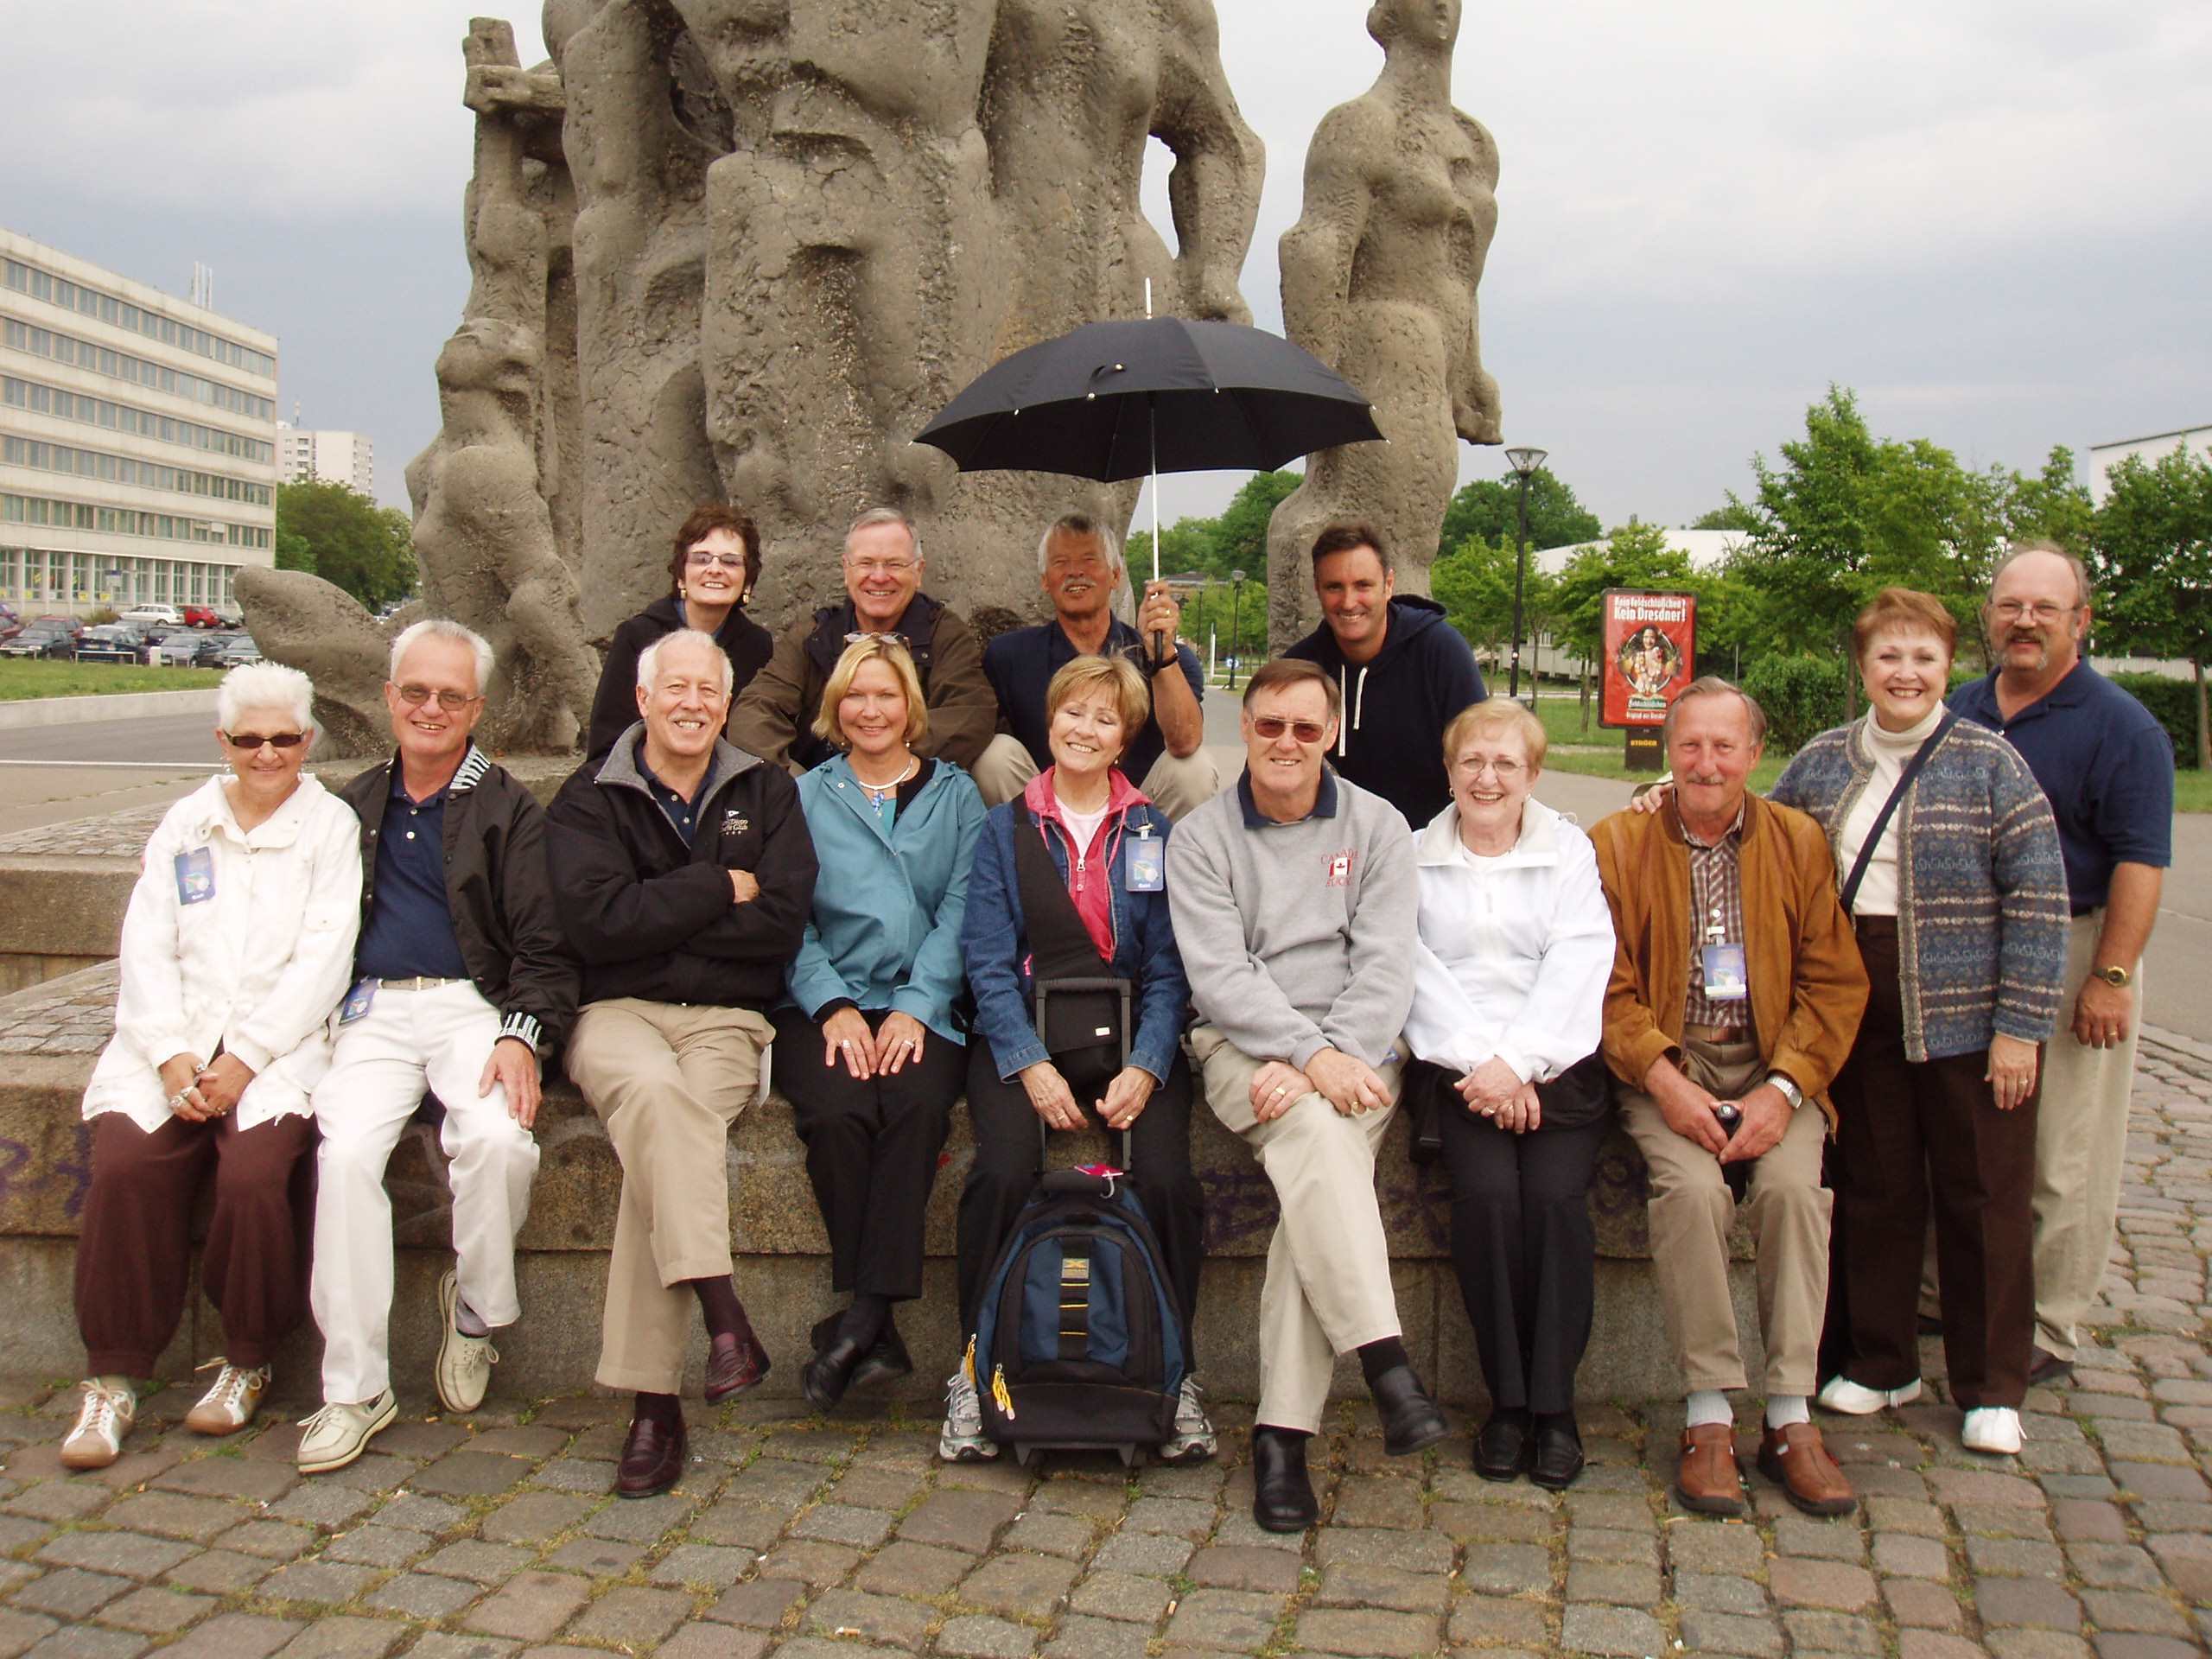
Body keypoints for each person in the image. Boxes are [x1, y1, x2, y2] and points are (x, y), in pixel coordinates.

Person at [1741, 588, 2067, 1456]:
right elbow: (1763, 849)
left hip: (1969, 1018)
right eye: (1889, 657)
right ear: (1863, 667)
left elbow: (2038, 900)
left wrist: (2019, 1027)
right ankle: (1881, 1360)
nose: (1906, 673)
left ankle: (1991, 1382)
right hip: (1857, 1012)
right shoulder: (1818, 763)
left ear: (1950, 667)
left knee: (1981, 1196)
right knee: (1877, 1189)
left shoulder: (1991, 765)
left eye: (1923, 658)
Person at [60, 664, 362, 1471]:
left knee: (256, 1177)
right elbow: (146, 945)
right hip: (174, 1046)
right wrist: (169, 1054)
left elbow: (324, 957)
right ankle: (114, 1374)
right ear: (223, 742)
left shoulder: (329, 828)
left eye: (286, 739)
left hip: (277, 1048)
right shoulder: (184, 824)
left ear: (309, 740)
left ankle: (247, 1355)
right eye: (250, 740)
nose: (269, 755)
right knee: (125, 1166)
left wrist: (248, 1058)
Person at [1167, 658, 1446, 1532]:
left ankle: (1280, 1441)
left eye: (1305, 728)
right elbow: (1219, 975)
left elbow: (1386, 962)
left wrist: (1331, 1055)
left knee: (1313, 1178)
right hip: (1243, 1047)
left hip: (1357, 1052)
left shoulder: (1379, 827)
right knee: (1323, 1146)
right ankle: (1385, 1360)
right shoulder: (1201, 837)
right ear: (1242, 728)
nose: (1286, 743)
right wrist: (1300, 1050)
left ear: (1332, 734)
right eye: (1268, 726)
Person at [300, 620, 577, 1476]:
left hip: (470, 1007)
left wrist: (520, 1037)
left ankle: (475, 1315)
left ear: (476, 709)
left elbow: (542, 946)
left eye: (450, 696)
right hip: (372, 1010)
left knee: (497, 1140)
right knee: (345, 1158)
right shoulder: (351, 804)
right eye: (415, 691)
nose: (430, 708)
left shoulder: (507, 808)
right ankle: (354, 1388)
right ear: (389, 698)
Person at [1590, 677, 1868, 1518]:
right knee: (1691, 1190)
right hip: (1669, 1067)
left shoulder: (1798, 842)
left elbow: (1834, 984)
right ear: (1665, 751)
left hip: (1773, 1066)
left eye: (1724, 746)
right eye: (1690, 745)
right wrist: (1665, 1083)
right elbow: (1603, 986)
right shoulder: (1617, 843)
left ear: (1754, 755)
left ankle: (1788, 1414)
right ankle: (1708, 1412)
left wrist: (1784, 1090)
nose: (1705, 763)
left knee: (1791, 1190)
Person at [550, 628, 817, 1497]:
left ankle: (654, 1410)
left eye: (709, 689)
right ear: (643, 699)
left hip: (727, 1022)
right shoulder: (590, 797)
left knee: (663, 1141)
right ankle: (720, 1312)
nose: (694, 703)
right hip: (615, 1015)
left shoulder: (766, 791)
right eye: (677, 688)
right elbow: (597, 925)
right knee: (668, 1114)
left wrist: (658, 909)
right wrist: (715, 886)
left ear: (725, 702)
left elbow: (779, 924)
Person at [950, 655, 1214, 1465]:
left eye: (1104, 718)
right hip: (1027, 1031)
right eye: (1073, 712)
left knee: (1168, 1179)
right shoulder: (1004, 830)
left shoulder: (1151, 832)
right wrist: (1028, 1063)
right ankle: (974, 1371)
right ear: (1051, 719)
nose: (1085, 729)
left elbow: (1170, 968)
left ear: (1124, 736)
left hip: (1129, 1031)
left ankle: (1177, 1374)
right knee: (999, 1171)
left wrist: (1149, 1064)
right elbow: (986, 962)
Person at [1948, 542, 2175, 1382]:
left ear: (2079, 620)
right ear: (1990, 614)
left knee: (2064, 1145)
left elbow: (2139, 861)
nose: (2025, 621)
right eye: (2011, 606)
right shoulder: (1962, 706)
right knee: (1973, 1132)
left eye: (2045, 608)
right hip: (1971, 944)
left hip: (2080, 943)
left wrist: (2110, 977)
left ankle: (2049, 1320)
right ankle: (1960, 1296)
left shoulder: (2122, 728)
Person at [1402, 699, 1614, 1490]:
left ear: (1532, 774)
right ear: (1450, 769)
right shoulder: (1416, 855)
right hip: (1458, 1072)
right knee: (1489, 1201)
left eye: (1506, 764)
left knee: (1557, 1202)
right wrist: (1483, 1070)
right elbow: (1416, 969)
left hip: (1558, 1065)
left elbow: (1580, 959)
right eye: (1472, 762)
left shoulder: (1568, 851)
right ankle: (1509, 1404)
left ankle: (1556, 1406)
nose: (1487, 778)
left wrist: (1522, 1062)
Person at [778, 638, 985, 1411]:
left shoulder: (957, 795)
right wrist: (831, 1005)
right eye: (856, 696)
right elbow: (787, 918)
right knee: (835, 1113)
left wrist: (916, 1005)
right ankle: (877, 1325)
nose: (871, 710)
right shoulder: (806, 796)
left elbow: (966, 909)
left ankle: (862, 1316)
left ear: (911, 709)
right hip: (829, 999)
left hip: (923, 999)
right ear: (836, 707)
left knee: (915, 1106)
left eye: (887, 696)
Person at [971, 513, 1218, 819]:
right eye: (1060, 563)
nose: (1075, 572)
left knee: (1193, 768)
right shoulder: (1009, 655)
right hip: (1043, 817)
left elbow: (1185, 743)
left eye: (1089, 560)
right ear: (1044, 580)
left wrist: (1162, 654)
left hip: (1138, 820)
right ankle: (1033, 858)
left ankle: (1168, 864)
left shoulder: (1168, 657)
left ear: (1115, 575)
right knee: (994, 754)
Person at [729, 507, 996, 775]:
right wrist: (795, 785)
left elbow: (970, 714)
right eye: (866, 563)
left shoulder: (945, 635)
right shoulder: (813, 636)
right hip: (820, 792)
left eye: (894, 564)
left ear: (918, 572)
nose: (879, 577)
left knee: (1000, 754)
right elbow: (754, 712)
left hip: (915, 786)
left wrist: (880, 763)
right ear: (847, 570)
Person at [1283, 523, 1487, 829]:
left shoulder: (1441, 651)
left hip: (1429, 841)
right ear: (1317, 589)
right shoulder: (1300, 667)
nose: (1349, 602)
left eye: (1363, 585)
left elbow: (1483, 759)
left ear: (1388, 585)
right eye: (1334, 587)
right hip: (1329, 846)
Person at [585, 504, 776, 759]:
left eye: (730, 561)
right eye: (701, 559)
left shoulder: (757, 646)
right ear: (681, 575)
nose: (715, 569)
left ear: (747, 580)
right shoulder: (638, 636)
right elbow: (607, 741)